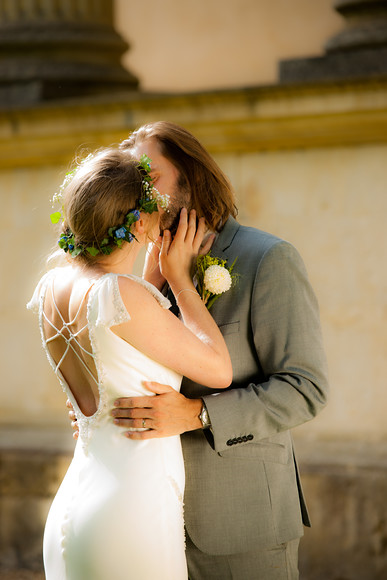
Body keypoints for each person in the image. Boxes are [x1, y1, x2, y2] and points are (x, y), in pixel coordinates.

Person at [106, 122, 330, 579]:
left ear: (190, 175)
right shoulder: (139, 273)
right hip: (148, 518)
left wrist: (196, 414)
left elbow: (305, 388)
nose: (138, 193)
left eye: (150, 178)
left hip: (241, 522)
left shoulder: (266, 258)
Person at [27, 147, 233, 580]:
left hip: (74, 502)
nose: (163, 224)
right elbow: (218, 369)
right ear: (138, 222)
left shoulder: (53, 286)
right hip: (132, 509)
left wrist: (150, 278)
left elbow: (116, 340)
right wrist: (180, 279)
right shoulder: (120, 294)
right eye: (156, 214)